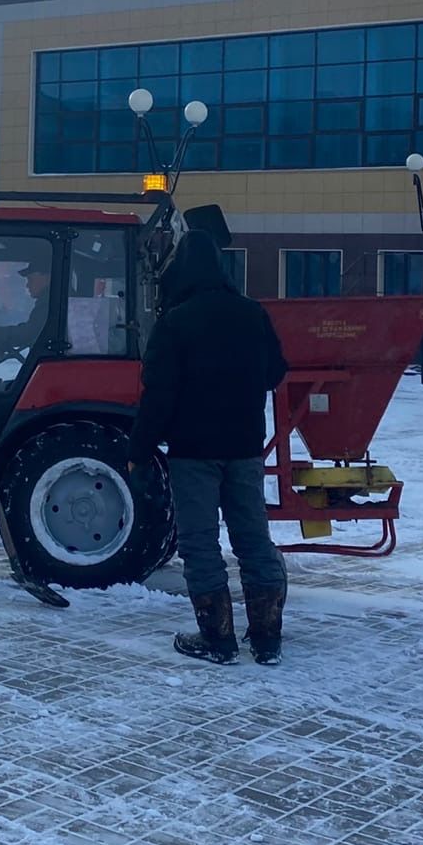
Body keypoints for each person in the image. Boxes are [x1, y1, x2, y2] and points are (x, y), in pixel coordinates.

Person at [128, 230, 290, 665]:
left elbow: (157, 395)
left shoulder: (176, 322)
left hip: (194, 452)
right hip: (244, 448)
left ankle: (217, 639)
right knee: (254, 538)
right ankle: (267, 638)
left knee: (200, 542)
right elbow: (276, 372)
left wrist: (139, 451)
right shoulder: (252, 314)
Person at [0, 266, 52, 353]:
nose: (27, 285)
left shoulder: (51, 304)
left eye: (31, 279)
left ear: (47, 278)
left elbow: (30, 334)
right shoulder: (51, 301)